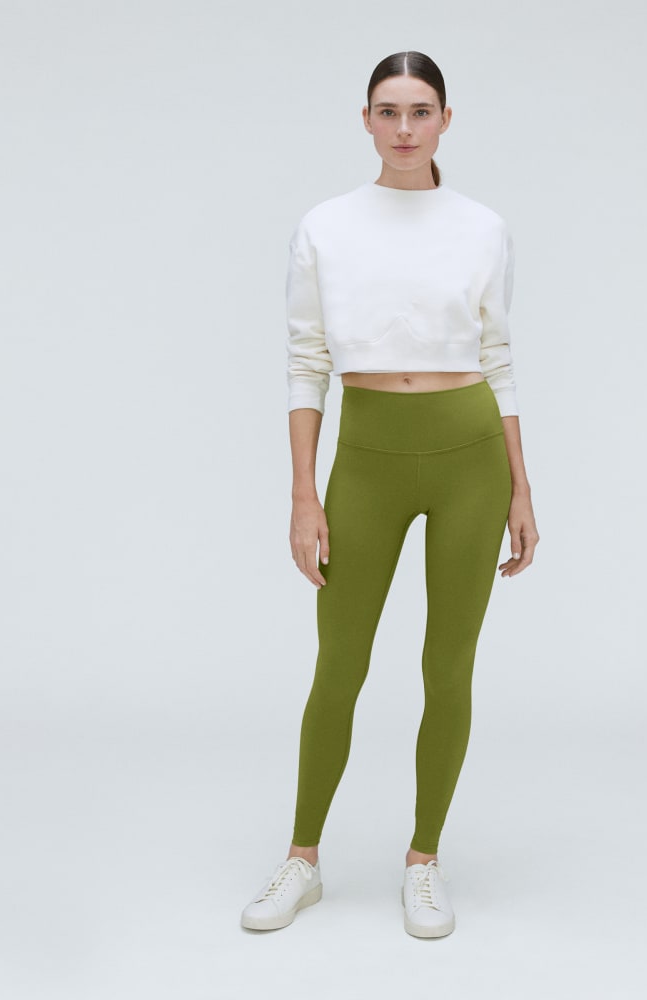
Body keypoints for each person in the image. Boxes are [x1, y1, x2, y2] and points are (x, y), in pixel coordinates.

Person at [240, 51, 538, 939]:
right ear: (365, 120)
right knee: (340, 662)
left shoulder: (482, 227)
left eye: (420, 110)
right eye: (387, 110)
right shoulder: (326, 227)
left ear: (446, 119)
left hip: (471, 457)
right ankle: (302, 860)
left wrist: (522, 488)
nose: (404, 128)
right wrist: (304, 494)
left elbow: (498, 360)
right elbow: (306, 362)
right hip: (367, 459)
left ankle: (423, 860)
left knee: (448, 666)